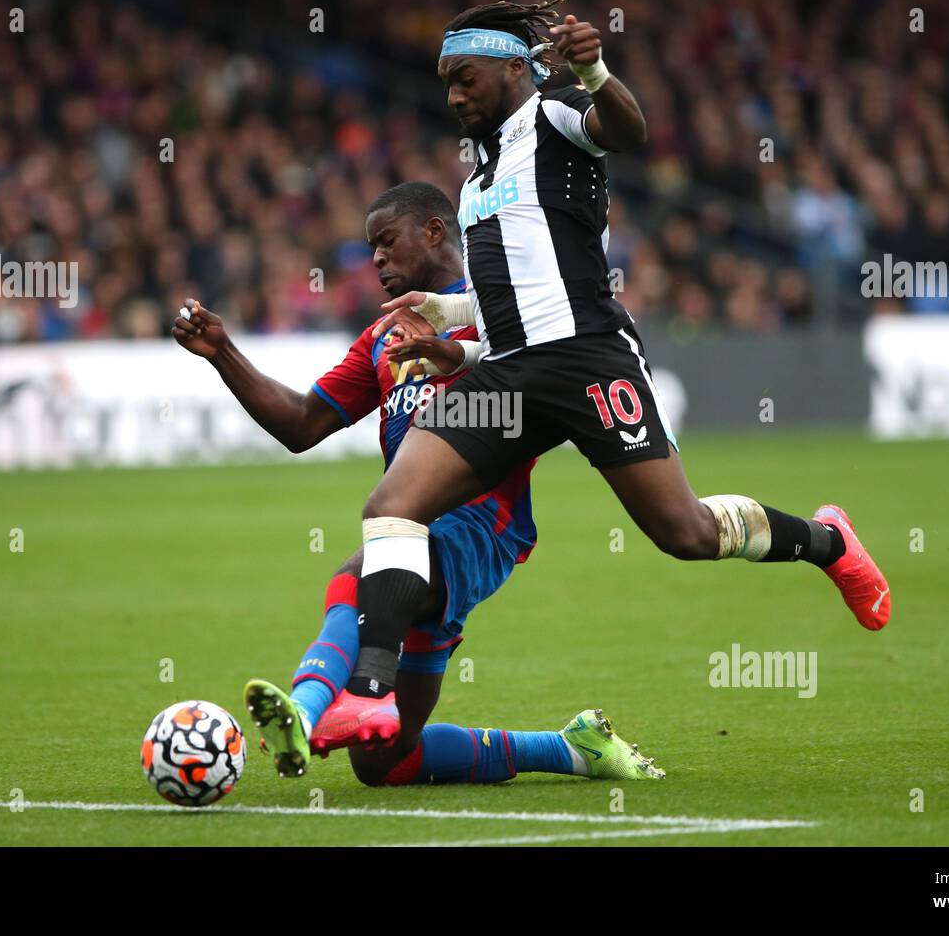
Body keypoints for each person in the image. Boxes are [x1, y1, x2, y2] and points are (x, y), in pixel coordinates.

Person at [338, 0, 892, 766]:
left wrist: (596, 69)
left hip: (589, 360)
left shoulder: (557, 112)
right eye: (445, 85)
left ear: (512, 70)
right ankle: (367, 691)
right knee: (392, 506)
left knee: (685, 534)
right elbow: (517, 296)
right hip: (507, 376)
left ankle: (829, 542)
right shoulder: (476, 181)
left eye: (464, 80)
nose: (453, 97)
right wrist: (451, 329)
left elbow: (626, 130)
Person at [171, 181, 663, 786]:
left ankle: (302, 710)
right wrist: (223, 353)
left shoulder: (507, 315)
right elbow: (301, 425)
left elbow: (560, 381)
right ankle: (567, 750)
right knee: (384, 762)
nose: (375, 259)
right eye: (369, 248)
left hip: (481, 527)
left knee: (355, 574)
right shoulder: (385, 335)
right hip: (409, 527)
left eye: (386, 242)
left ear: (434, 231)